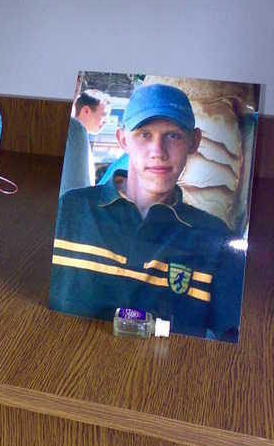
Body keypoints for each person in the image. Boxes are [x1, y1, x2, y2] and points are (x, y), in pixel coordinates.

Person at [49, 83, 245, 341]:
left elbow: (228, 346)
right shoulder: (68, 212)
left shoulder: (218, 242)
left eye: (173, 135)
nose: (158, 152)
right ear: (123, 140)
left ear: (194, 141)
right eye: (144, 134)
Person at [59, 89, 111, 196]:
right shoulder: (76, 132)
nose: (107, 120)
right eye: (104, 114)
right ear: (86, 111)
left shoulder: (81, 137)